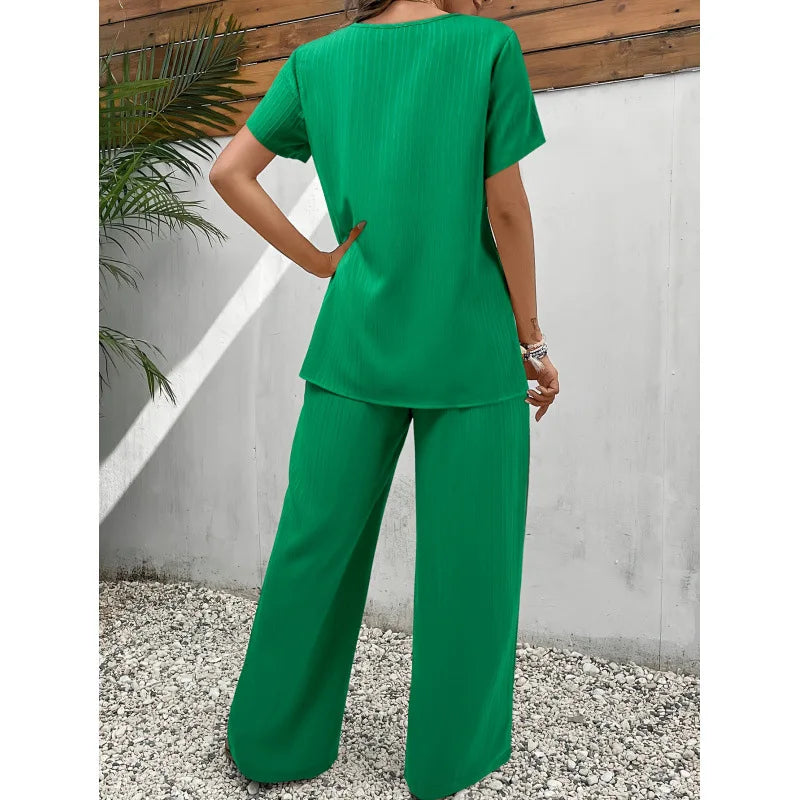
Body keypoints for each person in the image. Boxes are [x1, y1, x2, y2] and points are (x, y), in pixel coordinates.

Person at [209, 1, 560, 797]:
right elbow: (506, 208)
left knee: (313, 549)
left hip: (355, 344)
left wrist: (320, 260)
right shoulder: (487, 47)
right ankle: (446, 764)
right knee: (472, 561)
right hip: (470, 349)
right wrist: (533, 341)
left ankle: (271, 745)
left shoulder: (317, 62)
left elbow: (230, 171)